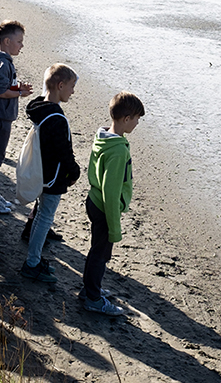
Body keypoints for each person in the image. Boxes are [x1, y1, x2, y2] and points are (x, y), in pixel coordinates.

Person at [81, 92, 145, 316]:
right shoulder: (117, 151)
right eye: (137, 118)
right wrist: (115, 228)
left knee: (96, 251)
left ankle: (90, 289)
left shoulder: (104, 137)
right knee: (100, 254)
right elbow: (111, 191)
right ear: (126, 118)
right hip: (104, 208)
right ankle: (93, 298)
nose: (138, 123)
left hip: (93, 200)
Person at [19, 64, 79, 282]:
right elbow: (64, 152)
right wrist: (74, 173)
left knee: (40, 214)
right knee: (45, 218)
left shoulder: (40, 108)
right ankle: (32, 263)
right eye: (71, 86)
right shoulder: (56, 118)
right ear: (61, 85)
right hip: (53, 176)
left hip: (41, 172)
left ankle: (33, 259)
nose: (73, 91)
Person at [0, 21, 32, 213]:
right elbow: (1, 91)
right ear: (7, 41)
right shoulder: (3, 63)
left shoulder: (2, 61)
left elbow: (4, 88)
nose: (22, 45)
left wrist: (18, 89)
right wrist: (18, 94)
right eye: (19, 41)